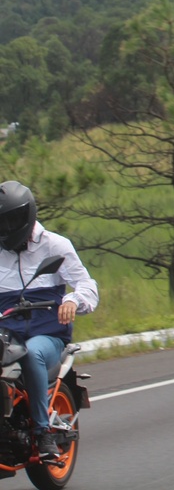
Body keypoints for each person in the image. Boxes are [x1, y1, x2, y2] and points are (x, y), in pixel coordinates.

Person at [0, 181, 98, 459]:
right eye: (1, 223)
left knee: (31, 354)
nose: (6, 228)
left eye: (11, 221)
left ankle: (42, 433)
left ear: (27, 214)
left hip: (48, 333)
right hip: (8, 332)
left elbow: (86, 285)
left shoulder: (55, 245)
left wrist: (71, 301)